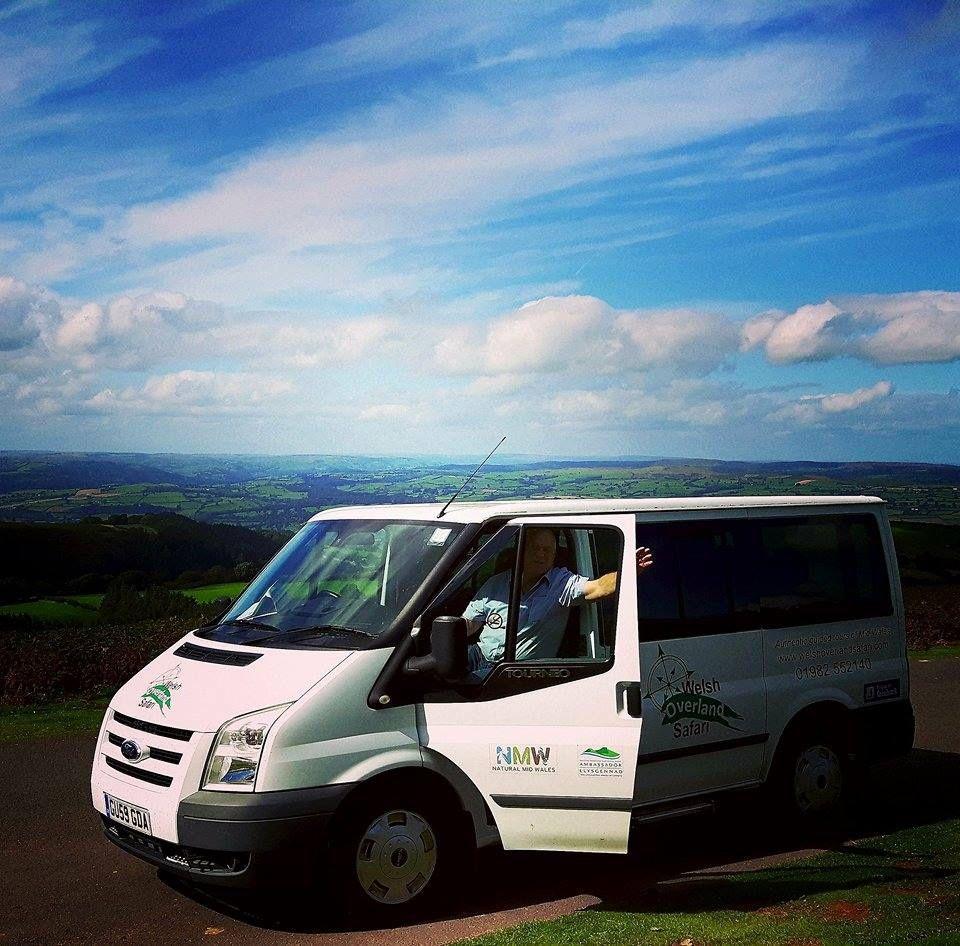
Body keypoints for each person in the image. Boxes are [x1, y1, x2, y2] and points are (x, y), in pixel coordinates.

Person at [463, 527, 654, 676]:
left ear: (555, 555)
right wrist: (448, 635)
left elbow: (598, 588)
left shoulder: (561, 583)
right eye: (536, 548)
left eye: (547, 550)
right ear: (522, 550)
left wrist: (627, 571)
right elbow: (470, 623)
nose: (541, 554)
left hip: (511, 670)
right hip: (477, 654)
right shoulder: (496, 582)